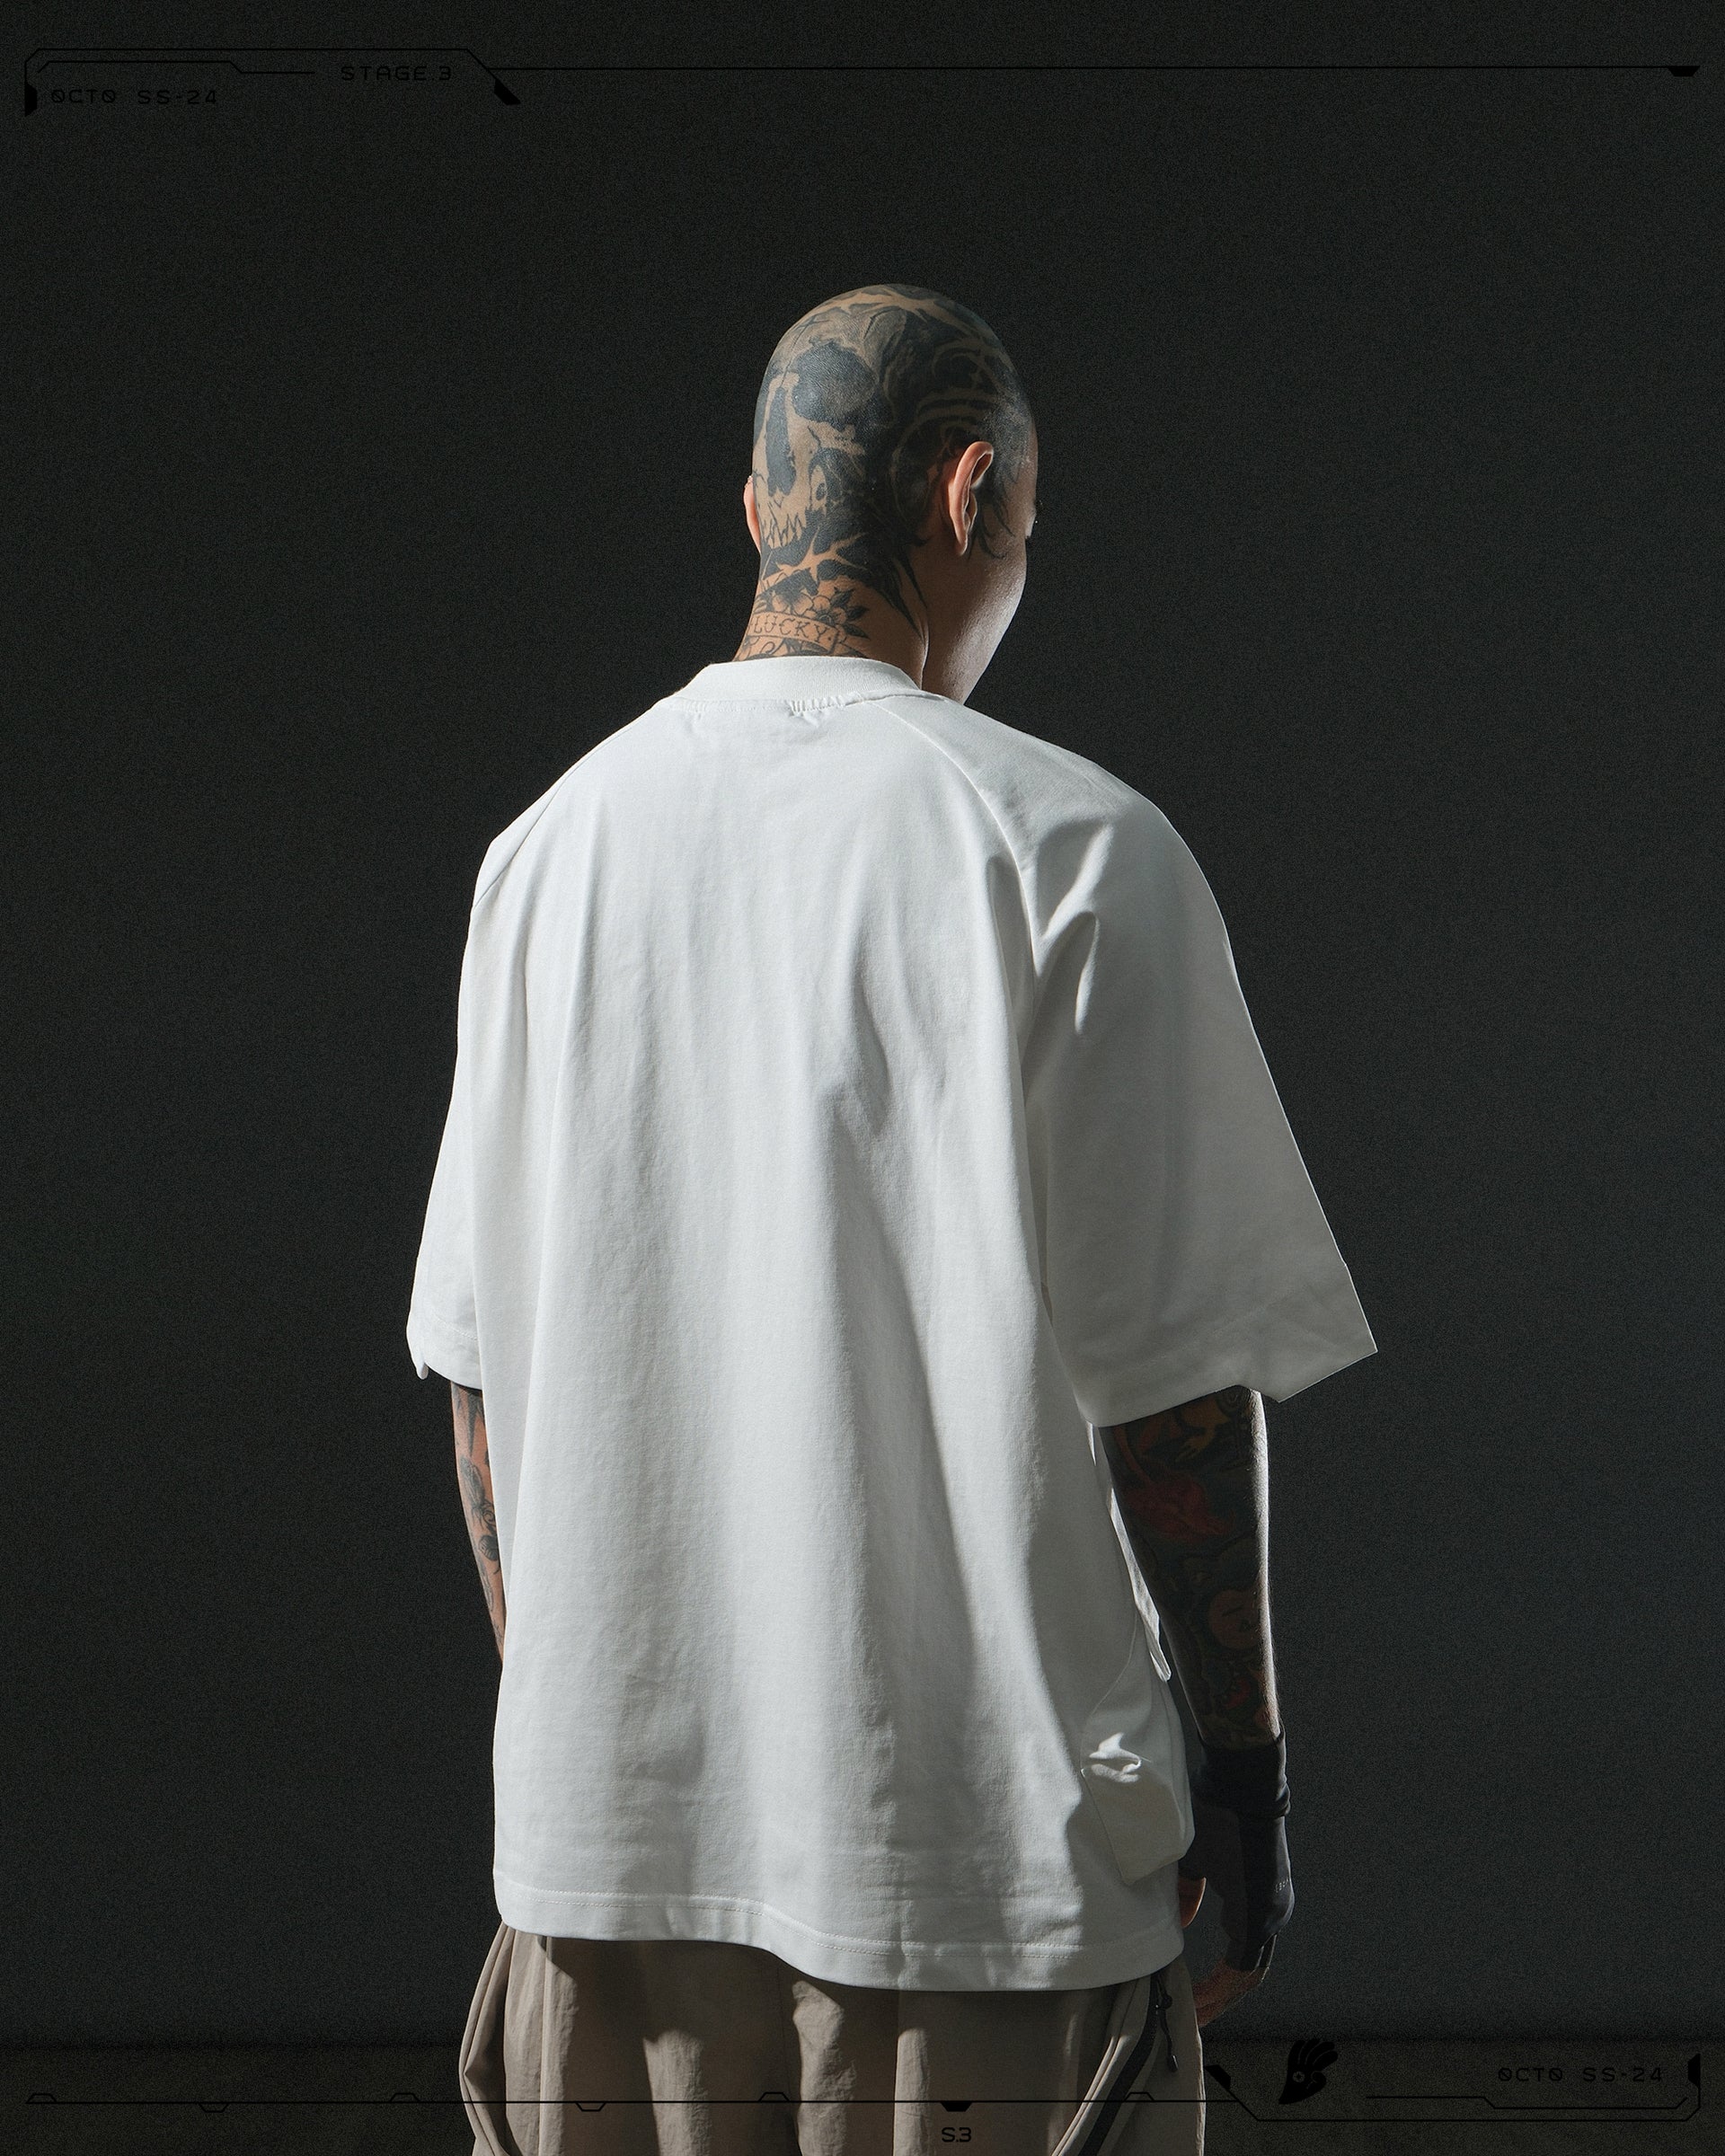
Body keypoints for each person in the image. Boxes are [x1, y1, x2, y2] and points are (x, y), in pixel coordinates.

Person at [409, 284, 1377, 2156]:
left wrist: (598, 1743)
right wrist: (1248, 1785)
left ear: (758, 507)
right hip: (985, 1895)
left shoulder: (545, 856)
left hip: (602, 1900)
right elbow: (1177, 1401)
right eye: (1027, 530)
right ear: (969, 494)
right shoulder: (1074, 850)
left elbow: (482, 1398)